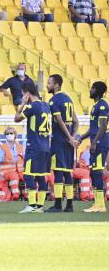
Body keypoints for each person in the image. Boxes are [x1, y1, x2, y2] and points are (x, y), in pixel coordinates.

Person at [15, 80, 52, 213]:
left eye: (22, 94)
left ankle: (31, 205)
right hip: (46, 146)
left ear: (27, 93)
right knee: (41, 176)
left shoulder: (32, 106)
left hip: (34, 146)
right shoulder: (46, 105)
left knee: (28, 175)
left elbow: (17, 118)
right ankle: (40, 206)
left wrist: (22, 105)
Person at [45, 74, 80, 213]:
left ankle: (58, 204)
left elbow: (59, 121)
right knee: (67, 173)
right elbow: (76, 121)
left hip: (59, 141)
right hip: (68, 142)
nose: (47, 85)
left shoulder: (54, 101)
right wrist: (72, 136)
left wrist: (69, 137)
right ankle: (69, 205)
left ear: (57, 85)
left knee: (58, 171)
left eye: (49, 83)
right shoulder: (68, 99)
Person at [81, 80, 109, 213]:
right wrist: (81, 138)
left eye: (92, 88)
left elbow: (103, 126)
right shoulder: (95, 105)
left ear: (97, 91)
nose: (90, 90)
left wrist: (95, 142)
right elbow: (93, 128)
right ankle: (98, 203)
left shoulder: (103, 105)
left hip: (101, 143)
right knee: (94, 172)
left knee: (97, 172)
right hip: (96, 141)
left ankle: (101, 205)